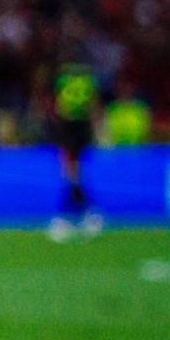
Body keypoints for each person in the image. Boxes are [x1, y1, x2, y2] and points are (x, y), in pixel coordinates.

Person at [50, 54, 105, 241]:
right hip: (80, 127)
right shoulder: (87, 79)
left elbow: (58, 105)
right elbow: (94, 105)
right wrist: (99, 128)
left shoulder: (63, 79)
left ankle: (74, 215)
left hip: (70, 127)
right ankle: (83, 214)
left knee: (72, 173)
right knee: (74, 173)